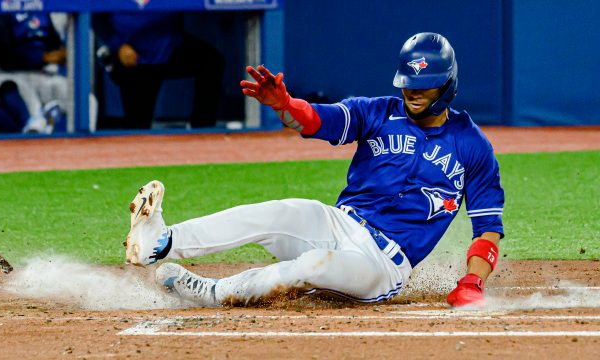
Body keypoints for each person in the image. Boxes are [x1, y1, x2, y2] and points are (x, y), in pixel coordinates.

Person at [124, 33, 505, 308]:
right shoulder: (377, 112)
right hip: (339, 223)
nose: (413, 93)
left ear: (448, 84)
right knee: (278, 211)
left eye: (424, 86)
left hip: (382, 264)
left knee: (310, 267)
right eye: (408, 85)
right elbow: (318, 120)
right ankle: (162, 241)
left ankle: (212, 292)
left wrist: (473, 281)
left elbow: (487, 226)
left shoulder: (472, 146)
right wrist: (284, 103)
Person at [94, 12, 225, 129]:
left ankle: (202, 130)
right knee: (137, 129)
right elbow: (94, 15)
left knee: (211, 62)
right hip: (134, 57)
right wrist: (118, 45)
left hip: (169, 47)